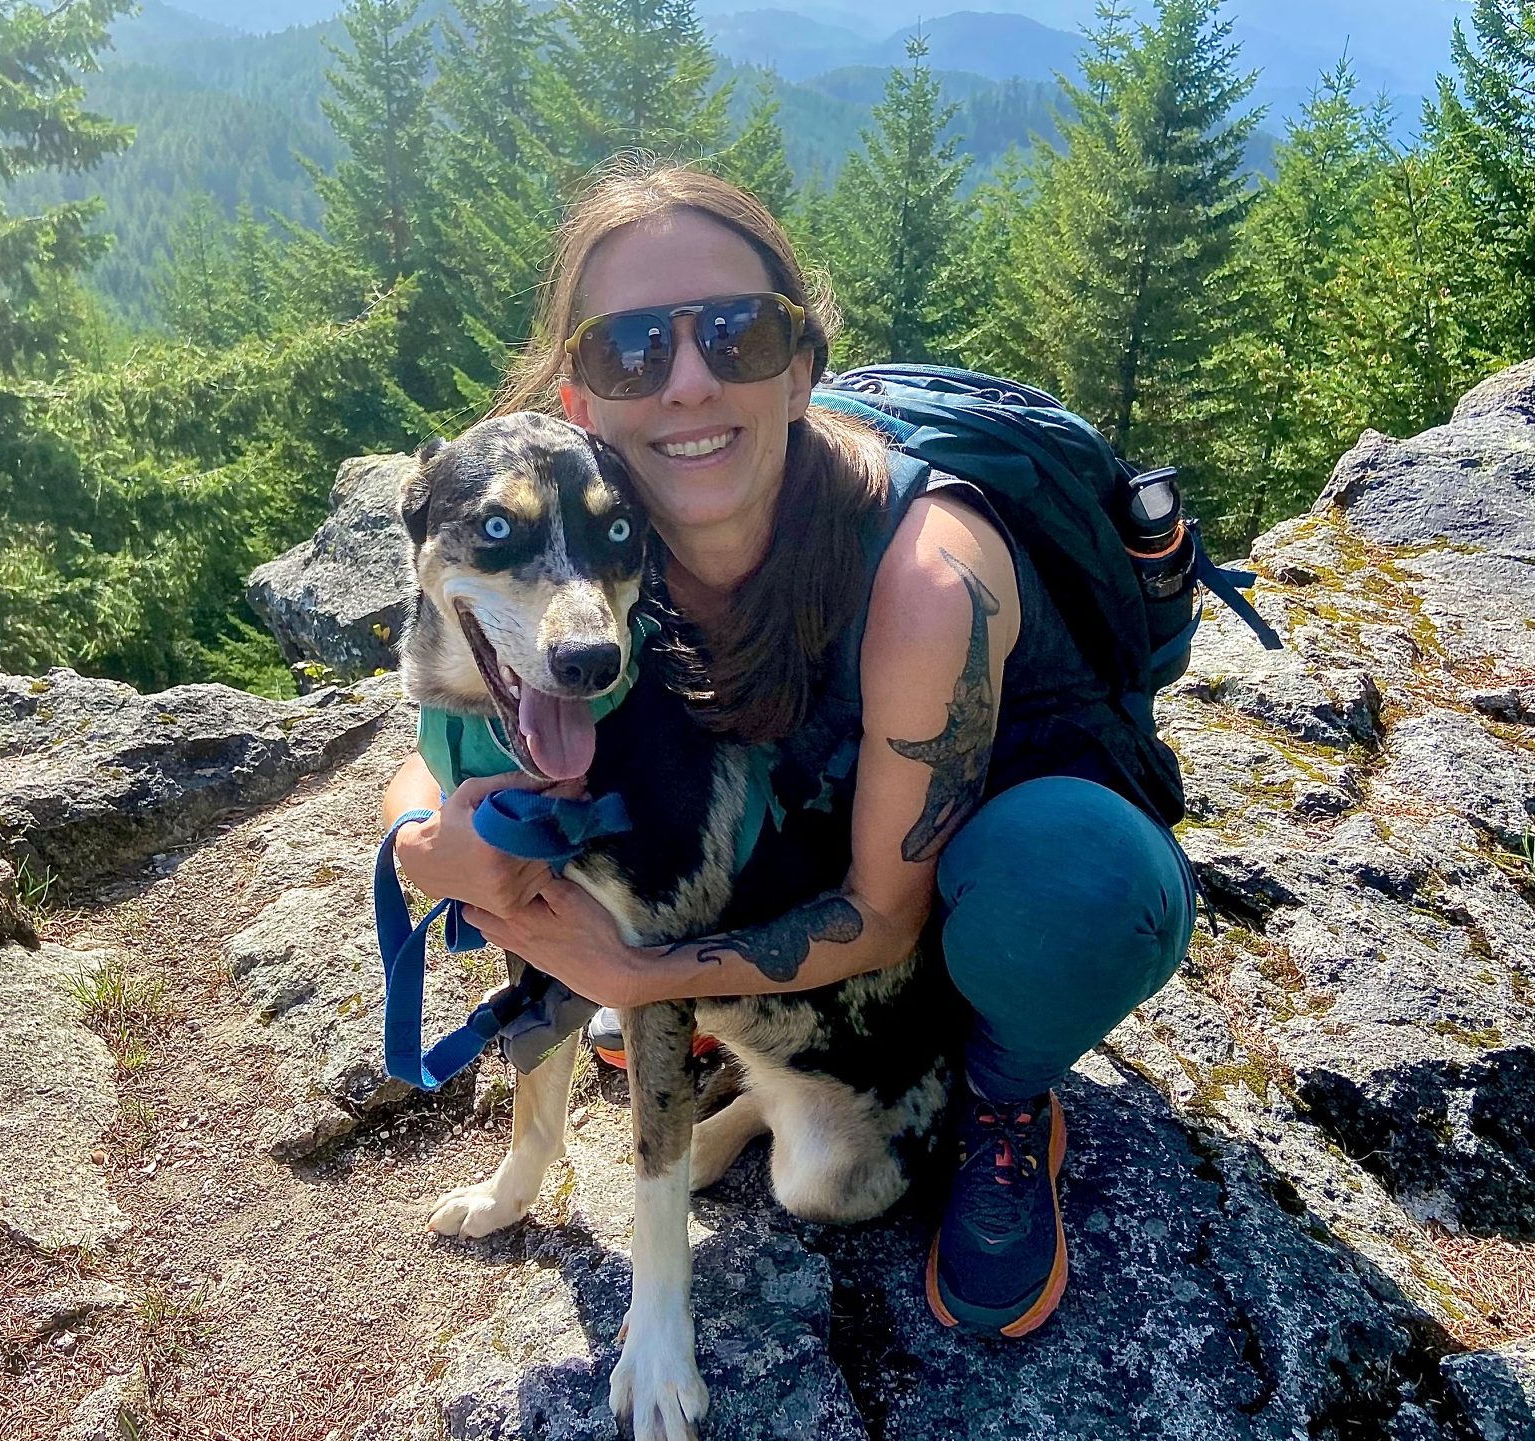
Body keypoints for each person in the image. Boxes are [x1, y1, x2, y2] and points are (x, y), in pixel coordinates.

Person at [382, 161, 1196, 1337]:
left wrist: (641, 976)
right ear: (582, 407)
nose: (691, 381)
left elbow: (882, 913)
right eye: (633, 351)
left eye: (738, 333)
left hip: (980, 864)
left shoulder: (926, 571)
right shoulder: (607, 549)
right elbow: (457, 712)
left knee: (1066, 883)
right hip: (814, 856)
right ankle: (751, 1080)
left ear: (804, 365)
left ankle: (1006, 1097)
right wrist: (422, 829)